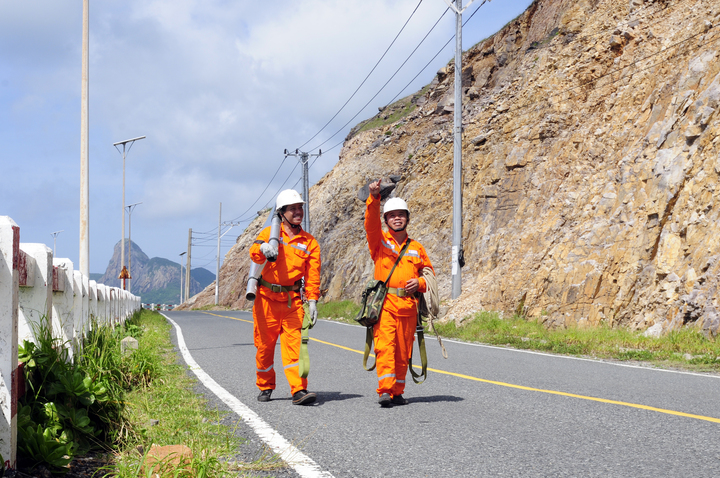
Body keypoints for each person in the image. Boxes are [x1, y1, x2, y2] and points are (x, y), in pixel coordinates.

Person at [364, 179, 434, 407]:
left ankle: (397, 391)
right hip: (385, 305)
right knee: (385, 347)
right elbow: (370, 224)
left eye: (401, 214)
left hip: (408, 308)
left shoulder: (417, 248)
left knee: (404, 351)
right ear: (385, 220)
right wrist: (374, 199)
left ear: (407, 218)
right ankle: (385, 390)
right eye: (391, 215)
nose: (396, 218)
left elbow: (429, 275)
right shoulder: (379, 241)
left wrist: (420, 283)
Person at [249, 189, 321, 405]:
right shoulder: (269, 234)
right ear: (282, 213)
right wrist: (263, 247)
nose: (298, 212)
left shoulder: (310, 243)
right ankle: (265, 385)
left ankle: (299, 390)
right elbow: (253, 251)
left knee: (295, 348)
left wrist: (313, 301)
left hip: (292, 303)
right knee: (265, 347)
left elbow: (312, 276)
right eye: (293, 209)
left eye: (300, 208)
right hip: (266, 301)